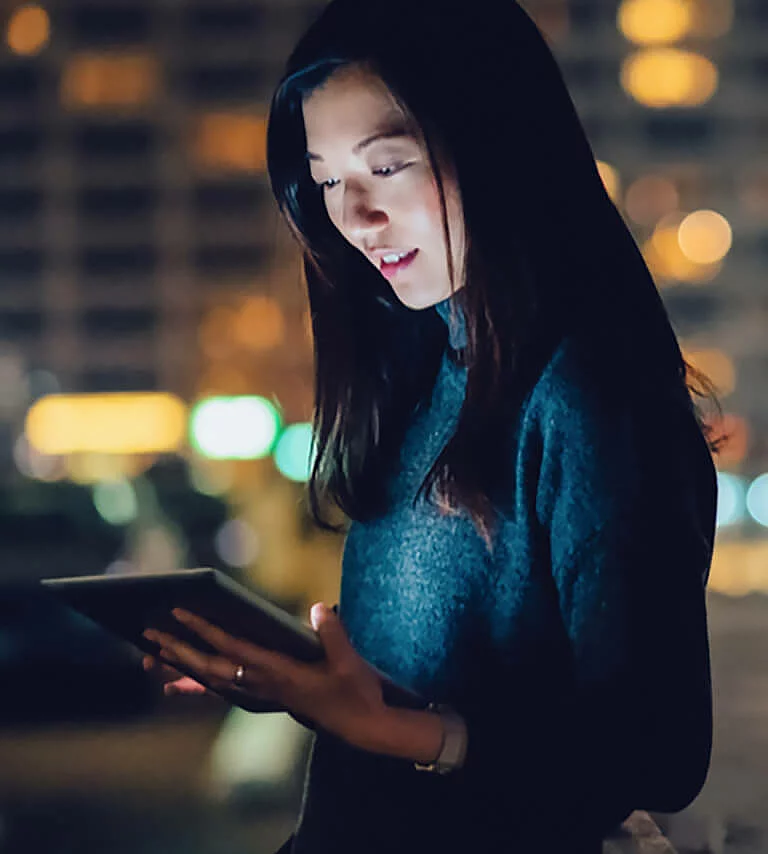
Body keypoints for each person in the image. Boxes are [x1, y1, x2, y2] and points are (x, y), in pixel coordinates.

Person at [142, 0, 722, 851]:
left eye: (387, 166)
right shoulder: (418, 373)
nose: (354, 216)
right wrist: (297, 677)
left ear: (498, 147)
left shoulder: (588, 398)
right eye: (328, 180)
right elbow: (439, 683)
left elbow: (657, 752)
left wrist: (402, 733)